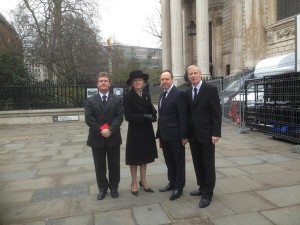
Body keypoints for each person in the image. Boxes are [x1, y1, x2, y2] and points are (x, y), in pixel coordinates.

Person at [185, 65, 222, 208]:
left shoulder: (210, 90)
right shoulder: (188, 92)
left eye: (195, 73)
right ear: (188, 77)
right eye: (191, 74)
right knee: (197, 162)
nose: (193, 76)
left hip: (207, 134)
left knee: (208, 163)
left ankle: (208, 193)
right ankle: (201, 186)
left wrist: (216, 133)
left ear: (201, 74)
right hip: (193, 134)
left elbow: (216, 113)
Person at [85, 72, 123, 200]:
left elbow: (119, 117)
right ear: (97, 84)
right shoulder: (90, 100)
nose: (103, 83)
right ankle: (102, 188)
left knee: (114, 164)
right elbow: (89, 119)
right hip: (97, 138)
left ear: (109, 83)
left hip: (113, 137)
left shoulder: (117, 99)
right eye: (101, 81)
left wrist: (110, 130)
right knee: (99, 166)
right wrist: (102, 130)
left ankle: (113, 187)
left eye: (105, 81)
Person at [123, 70, 158, 196]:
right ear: (132, 83)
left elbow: (151, 110)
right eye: (136, 80)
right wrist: (144, 116)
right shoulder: (127, 97)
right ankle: (134, 182)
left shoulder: (147, 95)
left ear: (143, 82)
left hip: (147, 130)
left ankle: (143, 181)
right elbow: (128, 116)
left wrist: (153, 115)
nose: (138, 82)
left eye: (140, 80)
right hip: (135, 131)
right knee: (134, 158)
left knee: (145, 157)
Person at [156, 70, 188, 201]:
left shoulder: (179, 94)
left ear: (172, 79)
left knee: (178, 162)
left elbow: (183, 116)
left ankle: (179, 188)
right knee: (169, 162)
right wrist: (159, 136)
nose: (164, 81)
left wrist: (184, 136)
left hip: (176, 136)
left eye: (167, 79)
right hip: (164, 136)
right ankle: (172, 182)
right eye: (162, 79)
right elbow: (161, 117)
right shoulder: (162, 95)